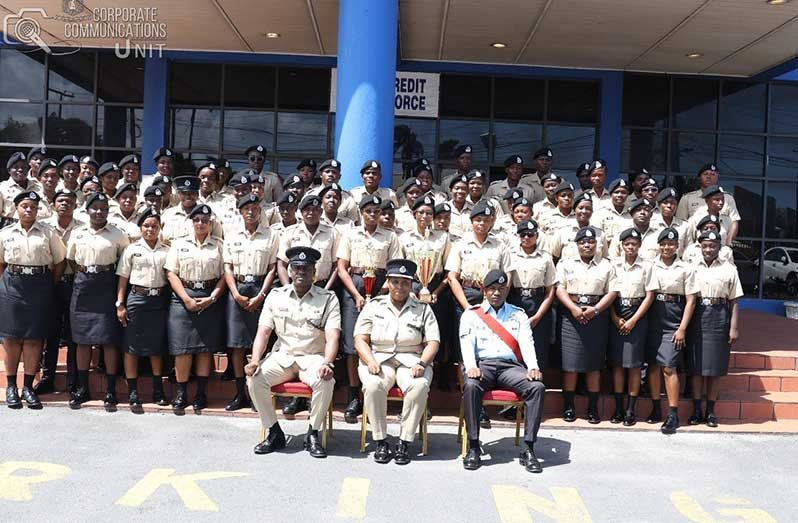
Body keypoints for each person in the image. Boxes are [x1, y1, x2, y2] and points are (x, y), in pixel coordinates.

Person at [246, 246, 340, 459]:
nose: (301, 272)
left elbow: (333, 336)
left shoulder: (328, 298)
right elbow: (264, 332)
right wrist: (256, 360)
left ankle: (313, 433)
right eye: (296, 267)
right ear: (289, 271)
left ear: (314, 272)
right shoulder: (276, 295)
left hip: (313, 358)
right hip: (283, 357)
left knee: (326, 381)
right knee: (254, 379)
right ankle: (274, 431)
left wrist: (328, 363)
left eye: (306, 268)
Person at [354, 259, 440, 464]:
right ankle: (380, 440)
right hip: (379, 359)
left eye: (404, 283)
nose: (399, 287)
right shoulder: (374, 306)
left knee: (419, 386)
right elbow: (360, 339)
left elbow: (433, 342)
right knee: (374, 385)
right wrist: (370, 360)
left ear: (411, 285)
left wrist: (422, 363)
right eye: (395, 282)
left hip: (412, 361)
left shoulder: (423, 309)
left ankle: (405, 441)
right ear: (388, 283)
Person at [460, 269, 546, 473]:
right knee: (471, 386)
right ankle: (473, 446)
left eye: (500, 289)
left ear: (506, 290)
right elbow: (466, 343)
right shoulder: (471, 315)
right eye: (492, 289)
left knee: (537, 387)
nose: (496, 293)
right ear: (484, 291)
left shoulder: (518, 314)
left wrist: (533, 367)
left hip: (510, 367)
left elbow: (527, 343)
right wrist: (471, 366)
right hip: (483, 365)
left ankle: (528, 448)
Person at [336, 194, 403, 423]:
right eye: (369, 211)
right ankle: (354, 396)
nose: (373, 215)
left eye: (377, 211)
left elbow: (394, 268)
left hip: (381, 288)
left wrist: (381, 294)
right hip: (354, 286)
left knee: (377, 340)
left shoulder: (390, 236)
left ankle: (372, 393)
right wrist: (356, 295)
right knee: (353, 344)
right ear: (361, 212)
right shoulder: (350, 234)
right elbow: (342, 268)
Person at [0, 191, 66, 409]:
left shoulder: (48, 233)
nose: (29, 210)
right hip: (12, 286)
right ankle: (12, 386)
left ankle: (28, 386)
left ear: (38, 210)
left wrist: (48, 284)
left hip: (39, 286)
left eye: (33, 207)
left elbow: (59, 262)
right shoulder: (5, 233)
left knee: (34, 339)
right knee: (11, 338)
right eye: (24, 206)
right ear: (16, 208)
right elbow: (1, 263)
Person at [66, 192, 130, 410]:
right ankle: (83, 389)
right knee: (82, 340)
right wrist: (87, 273)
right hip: (83, 285)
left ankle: (111, 390)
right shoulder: (77, 232)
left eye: (103, 208)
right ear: (87, 210)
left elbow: (124, 259)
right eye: (95, 208)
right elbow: (72, 260)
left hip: (107, 284)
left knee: (109, 340)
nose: (99, 212)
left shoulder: (117, 234)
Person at [164, 204, 227, 412]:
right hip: (183, 297)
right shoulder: (179, 244)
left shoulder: (219, 245)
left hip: (209, 297)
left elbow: (223, 276)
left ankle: (201, 393)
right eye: (197, 220)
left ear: (211, 224)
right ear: (191, 222)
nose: (200, 224)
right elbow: (171, 273)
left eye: (205, 221)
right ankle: (181, 393)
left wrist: (212, 298)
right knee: (182, 349)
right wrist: (186, 299)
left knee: (204, 349)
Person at [555, 227, 617, 423]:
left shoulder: (606, 265)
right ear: (577, 245)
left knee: (594, 365)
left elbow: (612, 291)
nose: (587, 245)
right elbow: (559, 288)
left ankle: (592, 408)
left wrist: (596, 310)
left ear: (597, 245)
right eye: (583, 242)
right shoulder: (566, 263)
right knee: (570, 366)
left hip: (596, 315)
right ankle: (569, 407)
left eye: (590, 242)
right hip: (571, 314)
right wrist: (573, 308)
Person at [222, 194, 278, 411]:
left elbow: (273, 268)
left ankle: (257, 393)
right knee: (236, 345)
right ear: (240, 211)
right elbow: (227, 267)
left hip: (260, 289)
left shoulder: (271, 235)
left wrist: (262, 296)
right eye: (247, 208)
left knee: (261, 343)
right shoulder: (232, 235)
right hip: (237, 290)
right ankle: (239, 393)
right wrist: (235, 293)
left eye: (255, 207)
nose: (251, 211)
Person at [115, 207, 170, 409]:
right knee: (132, 346)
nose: (150, 229)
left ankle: (158, 389)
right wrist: (120, 303)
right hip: (137, 299)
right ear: (140, 227)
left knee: (156, 346)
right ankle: (133, 391)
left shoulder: (166, 250)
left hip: (158, 300)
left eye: (154, 226)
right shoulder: (131, 249)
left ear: (160, 228)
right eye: (146, 225)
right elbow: (123, 278)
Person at [687, 230, 743, 428]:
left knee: (715, 368)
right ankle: (696, 410)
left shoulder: (729, 269)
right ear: (700, 247)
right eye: (705, 246)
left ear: (719, 247)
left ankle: (710, 411)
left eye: (712, 246)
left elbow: (735, 300)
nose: (708, 249)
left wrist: (733, 328)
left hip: (720, 315)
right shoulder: (692, 267)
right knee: (696, 368)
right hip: (698, 315)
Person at [646, 228, 698, 434]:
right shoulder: (650, 266)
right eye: (664, 244)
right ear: (659, 245)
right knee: (652, 365)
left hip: (674, 317)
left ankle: (673, 413)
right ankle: (655, 407)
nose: (667, 247)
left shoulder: (686, 268)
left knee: (669, 367)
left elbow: (691, 300)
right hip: (652, 316)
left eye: (671, 244)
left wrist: (682, 328)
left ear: (677, 246)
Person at [608, 228, 658, 426]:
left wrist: (634, 320)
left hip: (637, 314)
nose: (630, 247)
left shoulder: (647, 266)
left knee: (634, 365)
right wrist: (614, 317)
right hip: (617, 312)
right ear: (622, 245)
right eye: (627, 244)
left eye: (634, 244)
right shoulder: (614, 265)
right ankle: (618, 408)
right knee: (618, 364)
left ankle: (630, 409)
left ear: (639, 245)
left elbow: (649, 295)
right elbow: (609, 293)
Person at [37, 189, 83, 395]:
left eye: (69, 201)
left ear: (75, 205)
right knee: (51, 332)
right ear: (54, 204)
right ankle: (48, 377)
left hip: (75, 284)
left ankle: (74, 381)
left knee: (74, 334)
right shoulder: (43, 225)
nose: (65, 204)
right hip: (50, 283)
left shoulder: (83, 227)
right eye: (61, 201)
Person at [507, 220, 557, 371]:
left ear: (537, 235)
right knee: (515, 342)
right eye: (523, 234)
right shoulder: (510, 255)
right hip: (515, 300)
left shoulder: (546, 258)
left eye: (530, 234)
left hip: (538, 303)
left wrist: (538, 316)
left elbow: (550, 290)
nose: (527, 238)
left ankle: (537, 381)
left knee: (538, 344)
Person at [676, 163, 741, 241]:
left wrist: (728, 242)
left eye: (713, 174)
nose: (709, 177)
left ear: (718, 177)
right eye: (705, 174)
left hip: (721, 245)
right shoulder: (687, 198)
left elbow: (734, 222)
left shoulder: (727, 198)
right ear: (700, 177)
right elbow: (681, 224)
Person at [161, 176, 223, 243]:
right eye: (184, 193)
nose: (188, 196)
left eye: (192, 193)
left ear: (197, 194)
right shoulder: (167, 214)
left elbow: (218, 242)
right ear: (178, 194)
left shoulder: (210, 216)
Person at [1, 152, 43, 225]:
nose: (20, 170)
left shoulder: (38, 188)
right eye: (16, 167)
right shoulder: (2, 188)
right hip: (10, 227)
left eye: (24, 167)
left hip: (35, 227)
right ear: (9, 170)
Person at [651, 188, 689, 256]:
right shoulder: (651, 224)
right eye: (665, 202)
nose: (669, 206)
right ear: (659, 205)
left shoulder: (685, 225)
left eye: (673, 203)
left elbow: (688, 249)